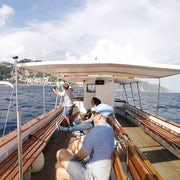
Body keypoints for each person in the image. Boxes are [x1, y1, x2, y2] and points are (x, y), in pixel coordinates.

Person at [55, 103, 115, 180]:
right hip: (100, 172)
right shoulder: (109, 129)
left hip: (92, 176)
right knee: (68, 154)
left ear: (99, 116)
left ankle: (64, 169)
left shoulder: (95, 133)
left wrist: (70, 160)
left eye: (94, 113)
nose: (93, 116)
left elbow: (79, 157)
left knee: (61, 155)